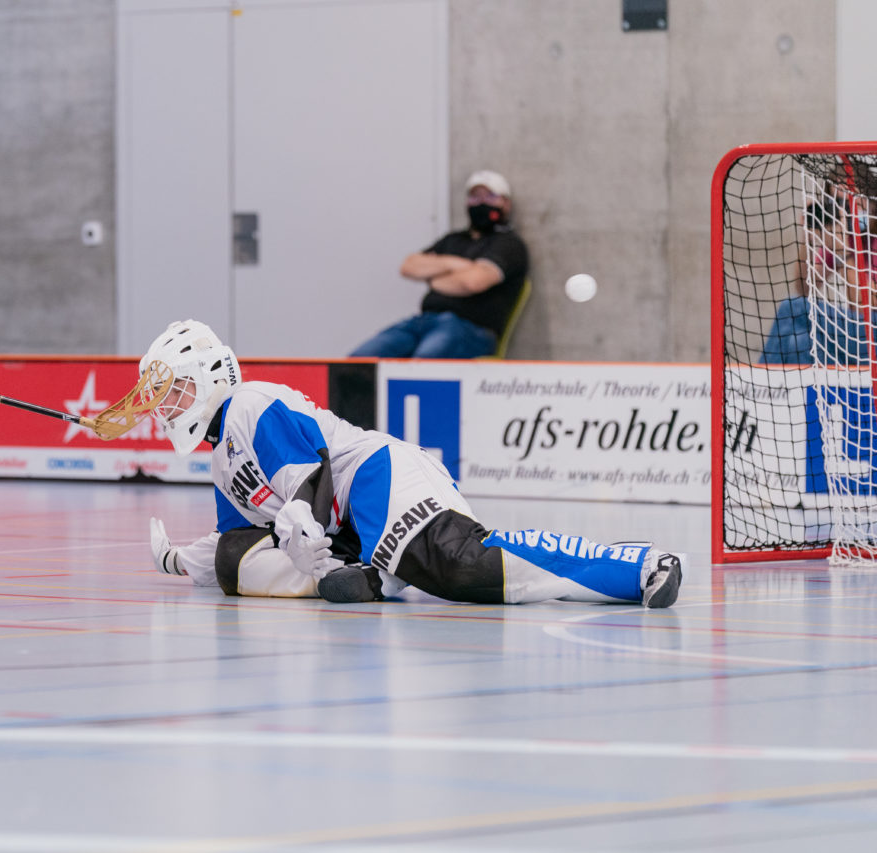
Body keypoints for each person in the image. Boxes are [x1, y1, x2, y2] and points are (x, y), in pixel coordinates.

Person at [143, 320, 684, 608]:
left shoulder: (250, 403)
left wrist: (302, 524)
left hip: (377, 477)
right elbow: (238, 536)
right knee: (235, 563)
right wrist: (176, 560)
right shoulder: (221, 462)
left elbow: (313, 472)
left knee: (463, 565)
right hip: (350, 524)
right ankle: (378, 573)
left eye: (175, 389)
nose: (167, 406)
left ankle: (635, 565)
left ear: (212, 374)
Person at [349, 170, 529, 359]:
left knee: (424, 364)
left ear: (505, 204)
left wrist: (434, 278)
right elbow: (409, 266)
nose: (481, 203)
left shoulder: (509, 244)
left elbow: (473, 282)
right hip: (421, 322)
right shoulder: (452, 240)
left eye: (490, 196)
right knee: (359, 360)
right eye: (475, 197)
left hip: (470, 329)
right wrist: (458, 265)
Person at [760, 196, 868, 366]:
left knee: (792, 306)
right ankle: (789, 390)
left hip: (871, 333)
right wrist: (808, 237)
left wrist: (844, 251)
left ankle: (760, 384)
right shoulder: (842, 238)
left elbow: (867, 305)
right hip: (853, 336)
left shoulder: (868, 240)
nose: (843, 211)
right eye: (837, 204)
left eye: (847, 204)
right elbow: (804, 288)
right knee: (801, 341)